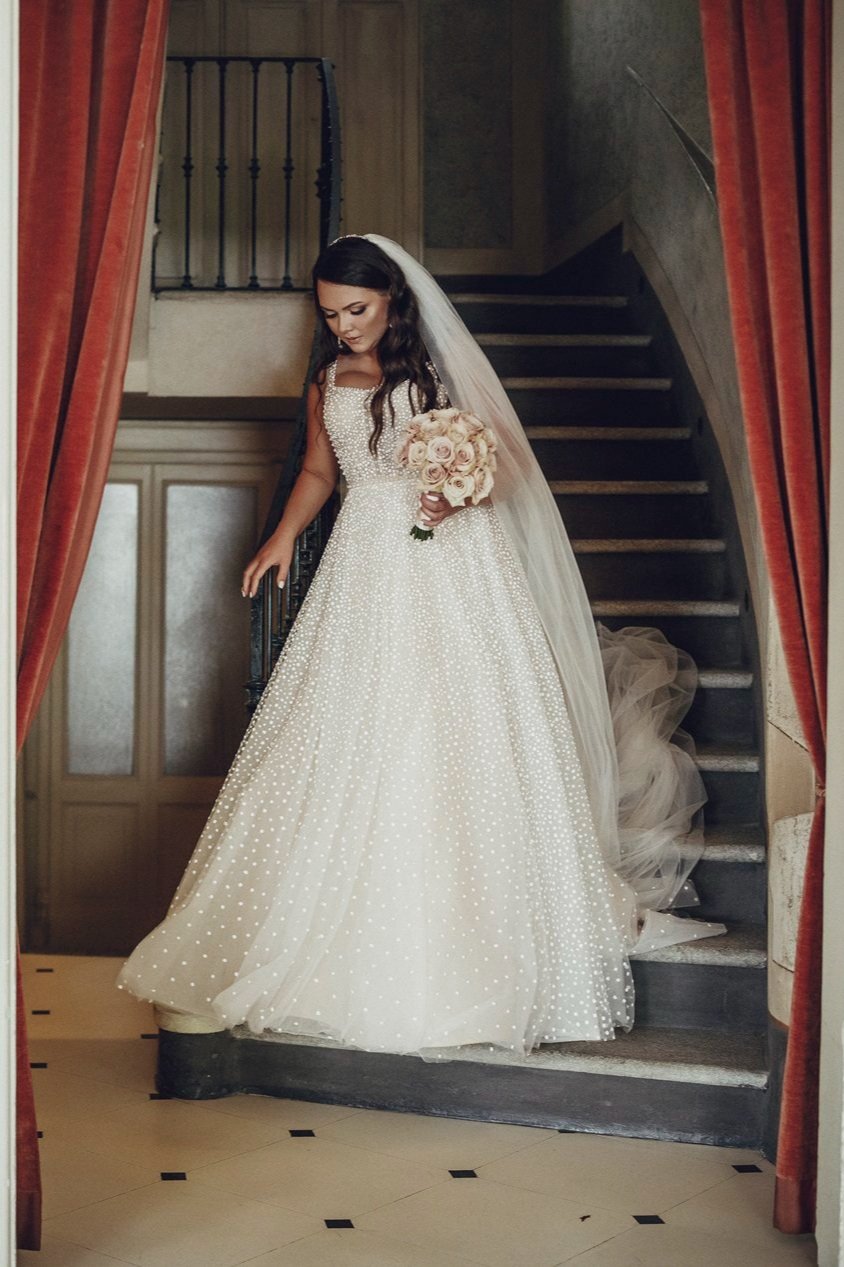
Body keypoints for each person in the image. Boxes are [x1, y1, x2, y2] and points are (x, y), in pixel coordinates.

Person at [115, 233, 724, 1062]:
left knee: (457, 726)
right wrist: (282, 539)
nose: (344, 327)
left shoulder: (438, 378)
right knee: (343, 730)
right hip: (361, 561)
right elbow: (322, 475)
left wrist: (456, 491)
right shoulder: (328, 381)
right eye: (330, 315)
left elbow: (504, 468)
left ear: (394, 299)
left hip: (448, 562)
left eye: (357, 310)